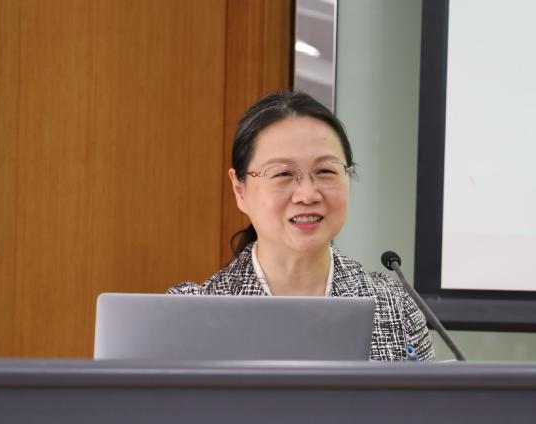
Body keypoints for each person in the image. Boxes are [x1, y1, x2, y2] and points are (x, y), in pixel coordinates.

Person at [167, 90, 434, 361]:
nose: (307, 195)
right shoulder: (187, 315)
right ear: (240, 190)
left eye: (326, 171)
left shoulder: (397, 307)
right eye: (282, 173)